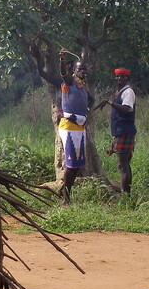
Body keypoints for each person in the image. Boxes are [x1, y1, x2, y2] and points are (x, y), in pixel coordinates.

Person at [57, 51, 94, 204]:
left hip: (79, 127)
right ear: (74, 70)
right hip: (69, 127)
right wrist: (62, 60)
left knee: (77, 165)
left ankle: (62, 192)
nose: (83, 72)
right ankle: (66, 198)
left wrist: (87, 111)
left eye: (85, 69)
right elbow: (63, 73)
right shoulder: (70, 82)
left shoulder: (82, 86)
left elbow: (91, 100)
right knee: (71, 165)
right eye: (80, 69)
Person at [95, 67, 136, 195]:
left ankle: (125, 196)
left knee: (122, 164)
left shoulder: (128, 92)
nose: (119, 79)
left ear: (127, 78)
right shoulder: (120, 92)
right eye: (117, 76)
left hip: (125, 131)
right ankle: (126, 194)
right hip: (121, 131)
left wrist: (109, 102)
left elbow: (126, 108)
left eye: (122, 77)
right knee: (124, 164)